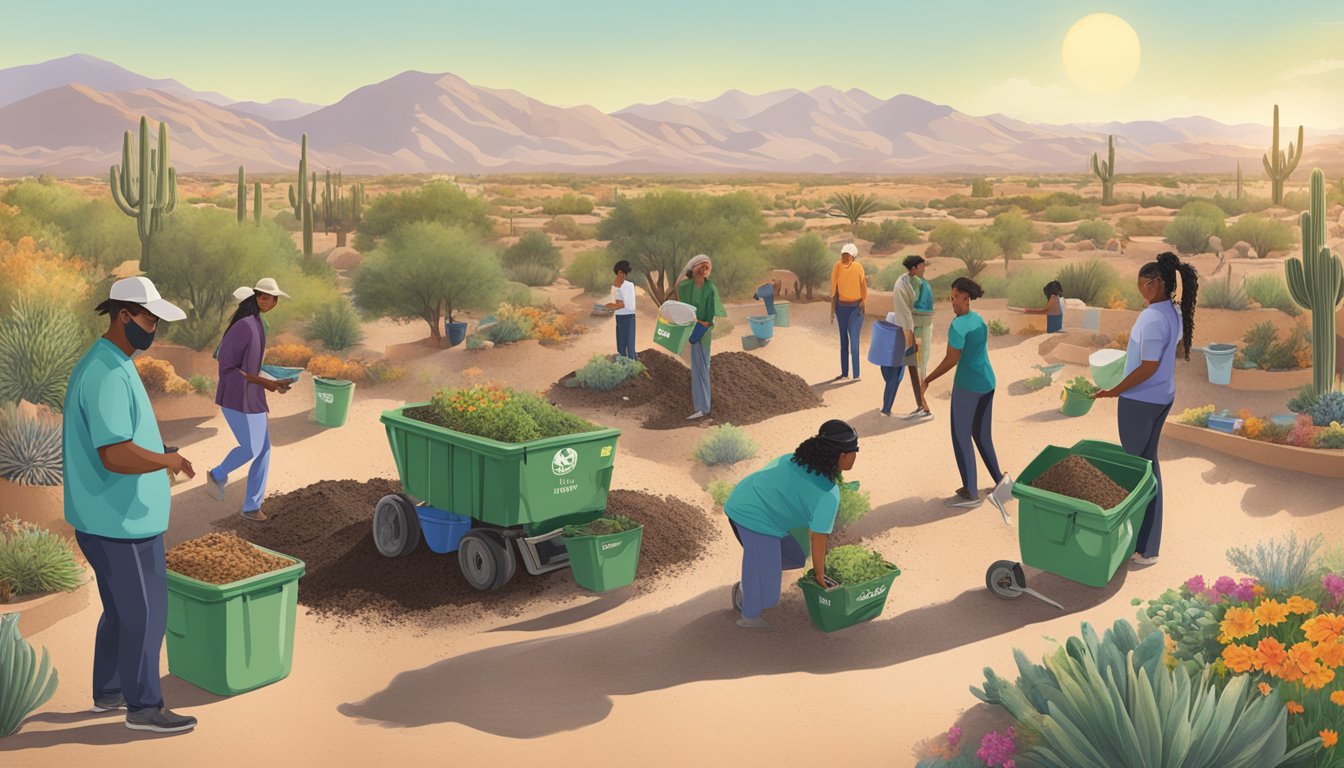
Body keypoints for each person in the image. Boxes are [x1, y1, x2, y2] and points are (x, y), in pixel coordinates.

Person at [62, 276, 199, 734]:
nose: (153, 329)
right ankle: (144, 708)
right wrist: (168, 459)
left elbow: (125, 436)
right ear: (123, 316)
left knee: (122, 609)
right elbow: (114, 453)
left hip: (121, 518)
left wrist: (156, 446)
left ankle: (110, 691)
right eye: (147, 319)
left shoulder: (114, 363)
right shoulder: (103, 372)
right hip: (116, 520)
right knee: (144, 613)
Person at [1093, 252, 1198, 567]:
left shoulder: (1152, 317)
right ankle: (1148, 544)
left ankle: (1140, 545)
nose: (1140, 291)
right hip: (1163, 395)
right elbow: (1164, 351)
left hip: (1140, 400)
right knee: (1150, 468)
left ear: (1157, 283)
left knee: (1137, 473)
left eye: (1143, 286)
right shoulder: (1173, 311)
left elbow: (1148, 365)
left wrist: (1115, 390)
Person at [724, 420, 858, 629]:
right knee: (768, 596)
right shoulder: (828, 495)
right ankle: (748, 615)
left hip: (755, 504)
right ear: (842, 455)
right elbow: (819, 537)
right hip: (751, 515)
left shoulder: (792, 459)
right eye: (854, 451)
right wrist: (820, 576)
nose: (855, 457)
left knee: (794, 558)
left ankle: (753, 576)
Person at [921, 277, 1013, 523]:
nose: (952, 302)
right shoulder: (979, 319)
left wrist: (927, 379)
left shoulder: (959, 325)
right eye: (951, 298)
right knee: (982, 435)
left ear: (966, 297)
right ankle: (1000, 482)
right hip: (987, 382)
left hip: (968, 386)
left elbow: (952, 359)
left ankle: (971, 493)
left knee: (961, 436)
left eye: (955, 298)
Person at [205, 278, 293, 522]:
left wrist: (274, 380)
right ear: (254, 298)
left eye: (271, 298)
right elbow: (227, 367)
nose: (268, 301)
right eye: (263, 297)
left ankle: (252, 506)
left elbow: (251, 366)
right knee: (252, 448)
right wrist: (265, 383)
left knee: (263, 450)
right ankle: (217, 474)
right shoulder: (244, 326)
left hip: (253, 397)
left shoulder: (258, 324)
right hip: (236, 398)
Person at [675, 254, 726, 420]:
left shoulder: (709, 289)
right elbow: (681, 302)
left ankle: (703, 408)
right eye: (700, 266)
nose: (704, 269)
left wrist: (703, 324)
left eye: (707, 266)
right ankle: (701, 406)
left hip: (702, 332)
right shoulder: (686, 287)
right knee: (696, 368)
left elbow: (710, 316)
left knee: (702, 368)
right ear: (693, 268)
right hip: (692, 329)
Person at [886, 254, 932, 418]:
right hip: (909, 331)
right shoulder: (902, 284)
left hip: (918, 328)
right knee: (914, 367)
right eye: (921, 266)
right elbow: (904, 311)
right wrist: (910, 333)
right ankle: (922, 406)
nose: (924, 268)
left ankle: (922, 406)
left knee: (917, 367)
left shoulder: (918, 282)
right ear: (913, 268)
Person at [830, 242, 868, 381]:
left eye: (848, 254)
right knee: (843, 342)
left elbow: (863, 284)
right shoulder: (837, 266)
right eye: (844, 254)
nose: (845, 257)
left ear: (853, 256)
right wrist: (833, 308)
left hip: (855, 308)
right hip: (841, 308)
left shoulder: (858, 267)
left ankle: (856, 374)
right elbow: (834, 287)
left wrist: (864, 301)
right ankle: (844, 373)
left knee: (854, 341)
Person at [604, 260, 637, 360]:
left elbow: (631, 306)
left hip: (629, 318)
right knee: (621, 346)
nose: (619, 275)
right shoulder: (614, 286)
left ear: (625, 273)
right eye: (618, 273)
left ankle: (633, 367)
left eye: (621, 273)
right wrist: (618, 304)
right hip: (619, 317)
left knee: (630, 346)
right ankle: (623, 367)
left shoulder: (629, 285)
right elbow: (613, 300)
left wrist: (618, 304)